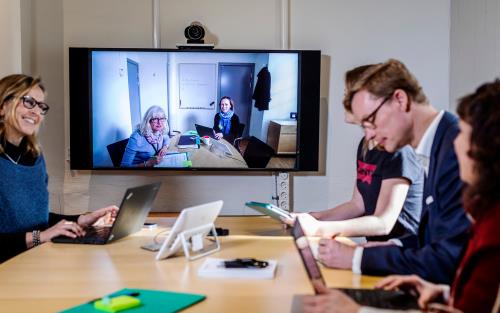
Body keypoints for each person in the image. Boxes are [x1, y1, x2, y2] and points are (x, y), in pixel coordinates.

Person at [300, 79, 500, 313]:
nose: (455, 141)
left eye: (462, 134)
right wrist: (447, 294)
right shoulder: (487, 219)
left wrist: (356, 310)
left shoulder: (492, 229)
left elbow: (448, 255)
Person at [316, 59, 470, 284]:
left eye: (370, 121)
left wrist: (357, 257)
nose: (368, 136)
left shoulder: (456, 147)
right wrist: (391, 246)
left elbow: (450, 257)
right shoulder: (438, 142)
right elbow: (434, 239)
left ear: (400, 99)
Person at [287, 65, 424, 241]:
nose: (345, 101)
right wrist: (313, 217)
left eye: (349, 95)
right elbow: (357, 205)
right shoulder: (366, 144)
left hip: (402, 256)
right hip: (377, 250)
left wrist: (320, 229)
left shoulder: (399, 151)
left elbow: (384, 223)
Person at [0, 74, 118, 263]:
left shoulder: (34, 156)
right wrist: (41, 236)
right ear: (3, 106)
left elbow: (36, 218)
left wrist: (81, 220)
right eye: (29, 102)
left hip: (36, 260)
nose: (36, 112)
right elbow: (36, 231)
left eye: (40, 106)